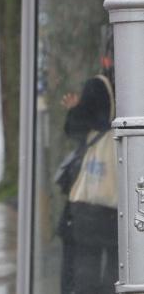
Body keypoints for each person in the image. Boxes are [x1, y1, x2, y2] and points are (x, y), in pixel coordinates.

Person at [57, 47, 116, 294]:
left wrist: (75, 109)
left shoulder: (97, 86)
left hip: (92, 203)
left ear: (106, 59)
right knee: (119, 266)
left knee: (86, 265)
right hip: (119, 203)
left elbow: (75, 128)